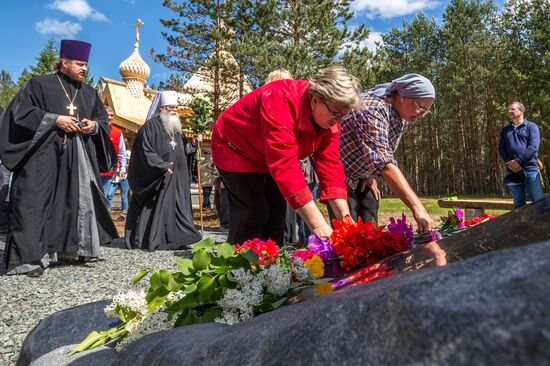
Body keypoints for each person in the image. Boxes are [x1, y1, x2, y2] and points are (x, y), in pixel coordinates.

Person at [0, 39, 118, 276]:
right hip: (43, 158)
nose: (85, 69)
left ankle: (71, 251)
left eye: (86, 65)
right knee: (35, 203)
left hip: (78, 160)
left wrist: (93, 126)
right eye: (80, 64)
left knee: (73, 203)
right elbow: (19, 114)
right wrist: (54, 119)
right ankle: (31, 258)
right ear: (64, 63)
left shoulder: (88, 92)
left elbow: (102, 120)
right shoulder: (39, 84)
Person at [211, 65, 361, 245]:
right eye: (335, 113)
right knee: (254, 211)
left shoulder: (330, 122)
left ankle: (271, 266)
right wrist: (319, 226)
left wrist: (346, 221)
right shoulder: (279, 99)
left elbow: (331, 166)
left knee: (277, 213)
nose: (338, 121)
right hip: (235, 149)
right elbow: (285, 166)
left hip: (266, 156)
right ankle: (237, 264)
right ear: (315, 99)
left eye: (343, 115)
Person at [338, 73, 436, 232]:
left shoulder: (402, 114)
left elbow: (378, 148)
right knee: (349, 233)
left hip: (362, 174)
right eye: (421, 107)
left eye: (427, 110)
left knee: (370, 220)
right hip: (339, 173)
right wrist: (418, 208)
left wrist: (369, 172)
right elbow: (384, 163)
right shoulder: (373, 108)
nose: (423, 114)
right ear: (403, 97)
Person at [125, 91, 202, 251]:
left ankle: (178, 239)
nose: (174, 110)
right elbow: (144, 151)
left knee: (178, 207)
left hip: (178, 178)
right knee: (159, 208)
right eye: (170, 107)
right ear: (161, 108)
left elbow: (182, 150)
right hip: (160, 177)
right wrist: (161, 166)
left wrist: (193, 145)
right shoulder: (149, 127)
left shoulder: (176, 129)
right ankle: (155, 239)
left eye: (175, 107)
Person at [498, 102, 544, 208]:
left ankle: (543, 225)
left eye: (513, 109)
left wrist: (517, 161)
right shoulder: (505, 130)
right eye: (509, 109)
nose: (509, 111)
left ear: (521, 111)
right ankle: (521, 225)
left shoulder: (532, 127)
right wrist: (510, 164)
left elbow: (532, 148)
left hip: (530, 169)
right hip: (513, 172)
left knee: (538, 202)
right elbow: (501, 149)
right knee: (519, 205)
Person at [100, 106, 128, 221]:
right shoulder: (95, 129)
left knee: (106, 196)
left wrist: (122, 170)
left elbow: (122, 153)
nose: (110, 117)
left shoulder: (118, 132)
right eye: (107, 114)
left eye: (112, 115)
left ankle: (104, 220)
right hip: (94, 169)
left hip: (109, 171)